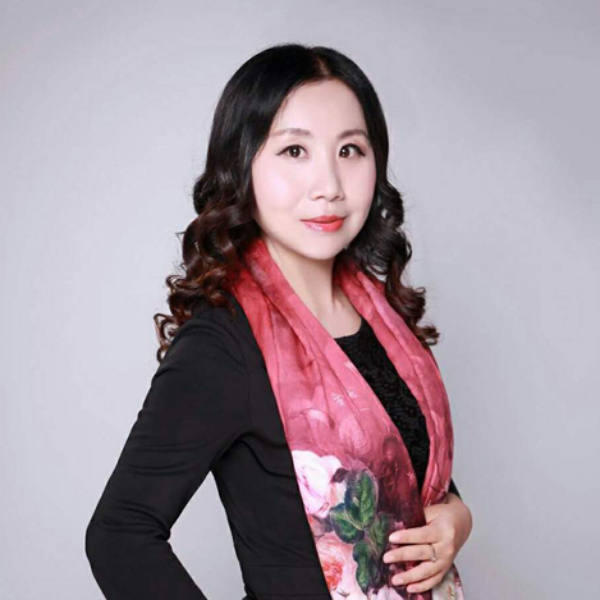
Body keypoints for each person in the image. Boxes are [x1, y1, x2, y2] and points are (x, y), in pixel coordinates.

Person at [85, 43, 473, 600]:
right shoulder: (226, 342)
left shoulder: (385, 318)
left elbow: (405, 469)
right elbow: (119, 534)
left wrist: (457, 516)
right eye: (294, 151)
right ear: (242, 165)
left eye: (350, 150)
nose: (329, 185)